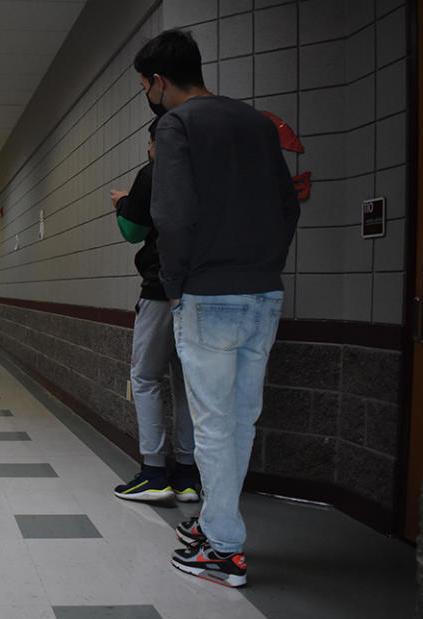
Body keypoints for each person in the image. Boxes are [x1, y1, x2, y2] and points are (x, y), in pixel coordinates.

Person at [135, 30, 300, 587]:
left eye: (146, 86)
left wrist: (176, 285)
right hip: (264, 294)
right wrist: (266, 265)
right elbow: (287, 202)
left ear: (158, 81)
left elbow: (173, 215)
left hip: (207, 295)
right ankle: (215, 524)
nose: (148, 96)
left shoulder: (175, 126)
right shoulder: (257, 122)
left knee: (211, 426)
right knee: (240, 420)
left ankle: (225, 550)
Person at [110, 116, 197, 504]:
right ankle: (188, 476)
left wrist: (123, 204)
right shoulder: (207, 171)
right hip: (200, 291)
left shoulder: (155, 171)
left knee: (144, 377)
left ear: (153, 141)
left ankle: (153, 473)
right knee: (186, 384)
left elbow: (134, 232)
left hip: (161, 289)